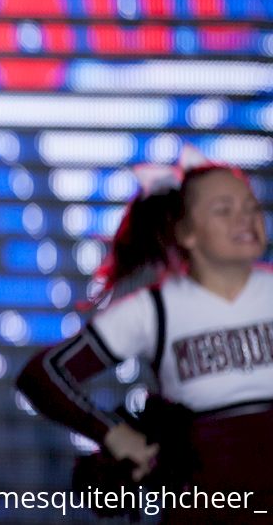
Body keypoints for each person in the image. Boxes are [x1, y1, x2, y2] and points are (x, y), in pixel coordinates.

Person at [16, 157, 272, 522]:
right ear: (185, 232)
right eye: (223, 210)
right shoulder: (153, 307)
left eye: (251, 207)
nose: (245, 219)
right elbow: (42, 375)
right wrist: (113, 433)